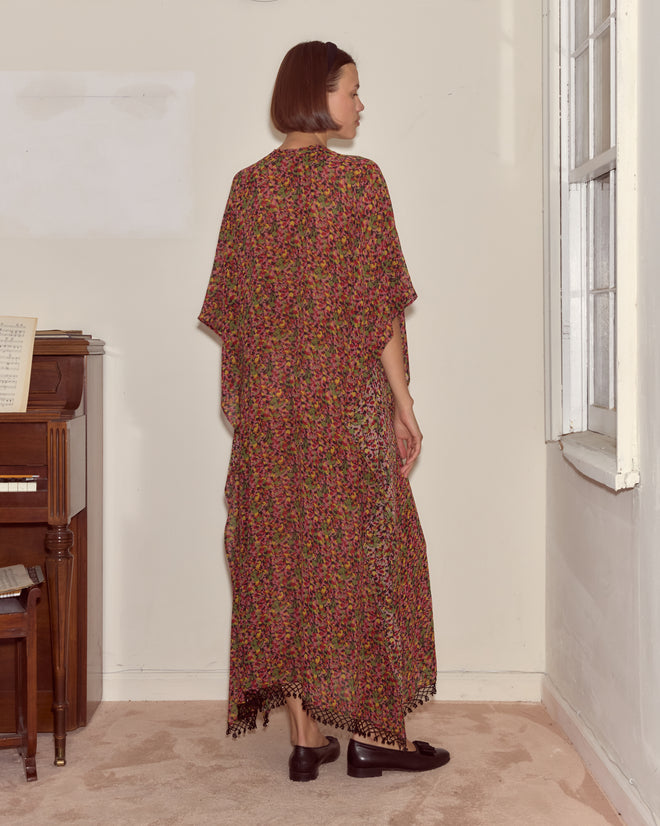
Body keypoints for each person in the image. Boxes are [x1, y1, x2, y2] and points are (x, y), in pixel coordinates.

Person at [199, 40, 449, 782]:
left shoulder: (248, 189)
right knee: (370, 558)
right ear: (318, 93)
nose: (361, 104)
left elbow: (233, 314)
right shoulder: (359, 183)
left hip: (276, 418)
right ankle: (381, 738)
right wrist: (404, 406)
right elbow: (381, 313)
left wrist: (259, 400)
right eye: (353, 90)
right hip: (345, 412)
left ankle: (306, 740)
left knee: (285, 563)